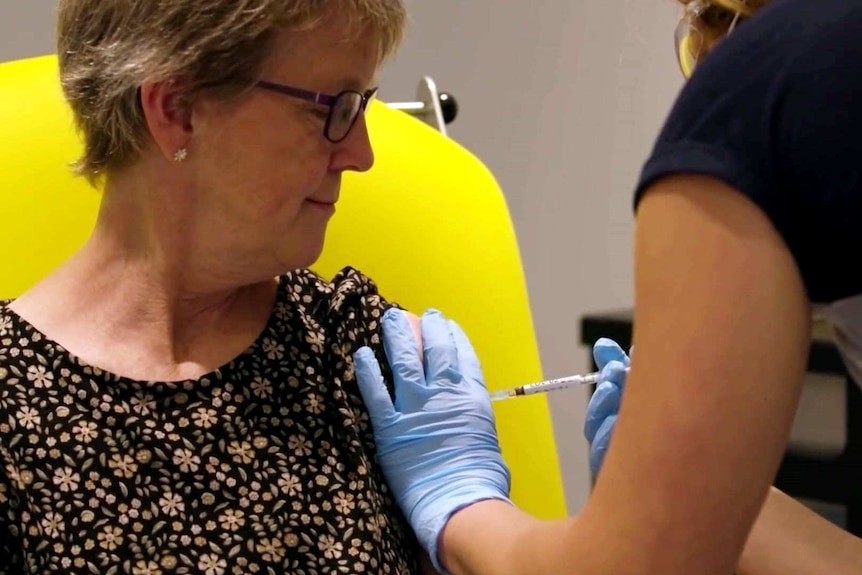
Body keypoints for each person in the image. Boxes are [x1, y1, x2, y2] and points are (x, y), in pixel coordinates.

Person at [351, 0, 862, 573]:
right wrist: (693, 496)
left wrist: (463, 501)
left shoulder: (769, 87)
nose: (358, 155)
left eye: (709, 19)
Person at [0, 1, 441, 573]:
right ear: (178, 110)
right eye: (334, 109)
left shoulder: (358, 353)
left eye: (362, 106)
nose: (362, 154)